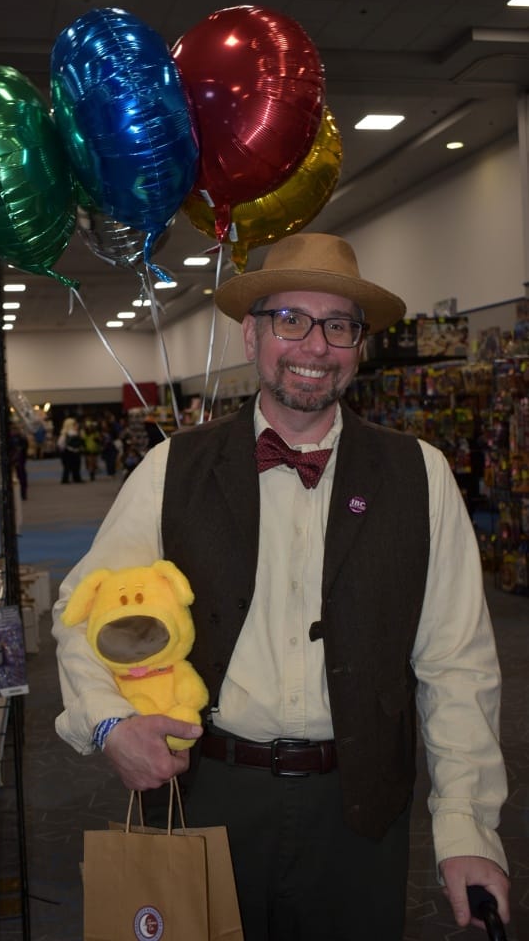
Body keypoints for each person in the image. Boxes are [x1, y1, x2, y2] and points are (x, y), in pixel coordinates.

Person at [52, 233, 510, 941]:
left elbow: (458, 666)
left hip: (360, 806)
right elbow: (82, 610)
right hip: (207, 793)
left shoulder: (421, 474)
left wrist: (468, 828)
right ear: (252, 335)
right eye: (291, 319)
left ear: (359, 346)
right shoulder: (174, 468)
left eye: (339, 325)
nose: (315, 345)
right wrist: (109, 723)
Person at [57, 416, 84, 483]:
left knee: (69, 467)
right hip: (70, 452)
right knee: (72, 466)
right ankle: (75, 478)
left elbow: (60, 444)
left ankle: (69, 479)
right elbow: (61, 443)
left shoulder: (68, 433)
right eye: (74, 424)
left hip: (69, 452)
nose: (76, 425)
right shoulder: (69, 433)